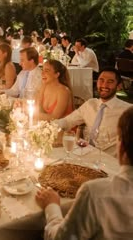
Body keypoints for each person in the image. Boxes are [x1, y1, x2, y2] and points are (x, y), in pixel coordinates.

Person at [36, 105, 133, 240]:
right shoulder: (91, 104)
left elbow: (60, 238)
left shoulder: (94, 193)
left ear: (121, 146)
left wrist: (52, 206)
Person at [52, 67, 131, 155]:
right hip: (85, 153)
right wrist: (46, 128)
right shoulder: (90, 104)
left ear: (119, 86)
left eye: (110, 81)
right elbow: (67, 121)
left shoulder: (127, 111)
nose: (104, 85)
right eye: (101, 80)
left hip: (110, 161)